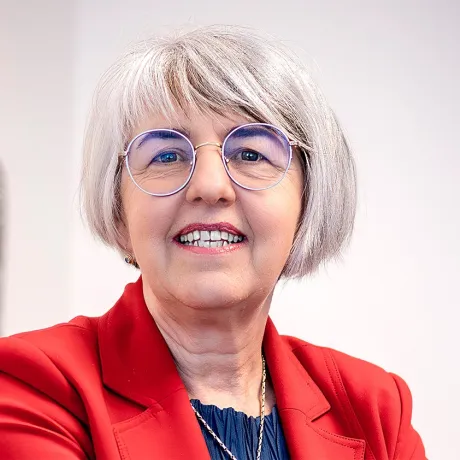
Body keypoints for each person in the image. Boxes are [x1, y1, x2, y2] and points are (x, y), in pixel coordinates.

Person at [0, 25, 426, 459]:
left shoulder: (376, 410)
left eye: (250, 154)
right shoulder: (33, 386)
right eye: (166, 155)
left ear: (309, 199)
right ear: (119, 208)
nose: (209, 186)